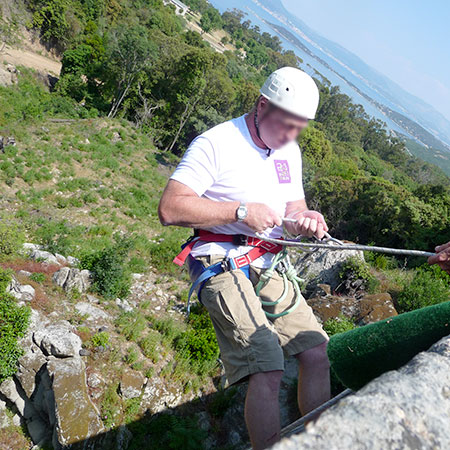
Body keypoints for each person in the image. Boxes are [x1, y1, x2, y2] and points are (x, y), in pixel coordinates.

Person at [158, 67, 330, 449]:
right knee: (267, 366)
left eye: (300, 128)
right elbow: (170, 208)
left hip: (265, 260)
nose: (291, 136)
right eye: (287, 125)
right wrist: (240, 212)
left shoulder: (288, 151)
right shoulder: (217, 143)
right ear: (261, 105)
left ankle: (321, 441)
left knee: (316, 349)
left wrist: (305, 219)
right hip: (218, 258)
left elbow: (294, 205)